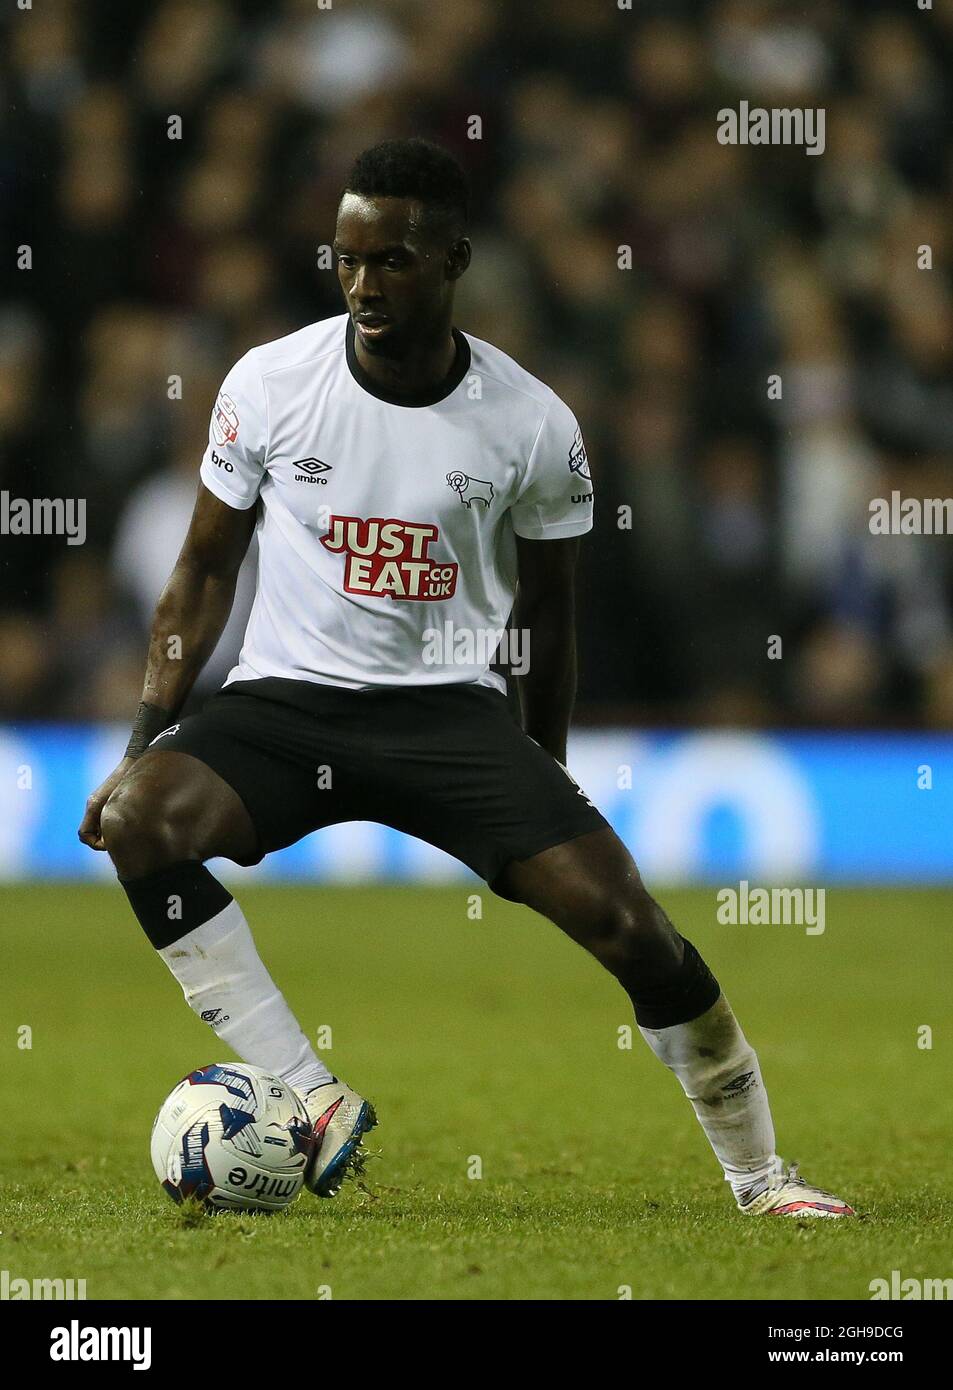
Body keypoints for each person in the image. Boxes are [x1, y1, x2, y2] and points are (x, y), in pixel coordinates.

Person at [79, 138, 851, 1215]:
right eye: (345, 260)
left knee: (632, 929)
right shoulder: (268, 384)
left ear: (454, 260)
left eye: (391, 260)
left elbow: (547, 611)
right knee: (137, 822)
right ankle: (307, 1095)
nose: (362, 285)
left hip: (446, 711)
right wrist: (144, 742)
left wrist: (546, 765)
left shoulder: (530, 423)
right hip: (285, 701)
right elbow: (200, 570)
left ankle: (759, 1176)